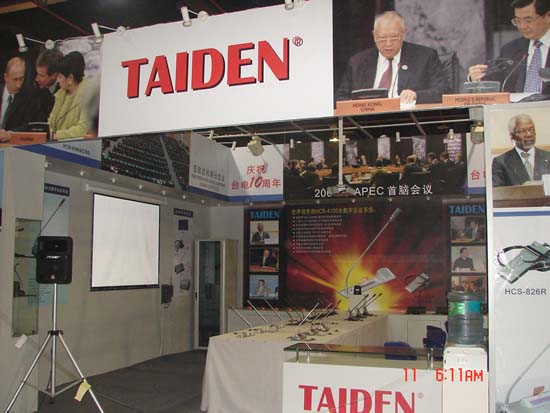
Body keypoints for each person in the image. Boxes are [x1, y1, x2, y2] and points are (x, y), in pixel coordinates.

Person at [335, 11, 449, 104]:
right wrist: (358, 106)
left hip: (409, 119)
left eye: (394, 37)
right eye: (382, 38)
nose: (388, 44)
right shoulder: (357, 62)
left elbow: (443, 90)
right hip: (368, 121)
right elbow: (339, 98)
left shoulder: (425, 57)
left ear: (404, 33)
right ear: (374, 35)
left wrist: (416, 95)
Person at [467, 0, 550, 93]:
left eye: (528, 20)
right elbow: (494, 80)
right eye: (518, 20)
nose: (522, 26)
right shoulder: (510, 50)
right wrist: (476, 78)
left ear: (548, 16)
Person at [492, 113, 550, 186]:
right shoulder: (501, 162)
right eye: (522, 131)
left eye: (531, 129)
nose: (529, 134)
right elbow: (497, 190)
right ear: (512, 136)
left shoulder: (548, 157)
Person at [48, 51, 90, 140]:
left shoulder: (89, 96)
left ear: (70, 78)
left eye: (59, 77)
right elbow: (50, 123)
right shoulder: (60, 95)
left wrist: (56, 136)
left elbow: (82, 130)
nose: (57, 81)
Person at [0, 57, 32, 142]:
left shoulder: (28, 98)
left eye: (21, 79)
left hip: (10, 145)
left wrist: (10, 134)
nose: (18, 85)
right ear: (6, 77)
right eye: (15, 79)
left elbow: (27, 126)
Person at [32, 48, 63, 122]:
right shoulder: (36, 90)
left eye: (41, 75)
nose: (36, 79)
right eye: (37, 74)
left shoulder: (66, 93)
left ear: (54, 75)